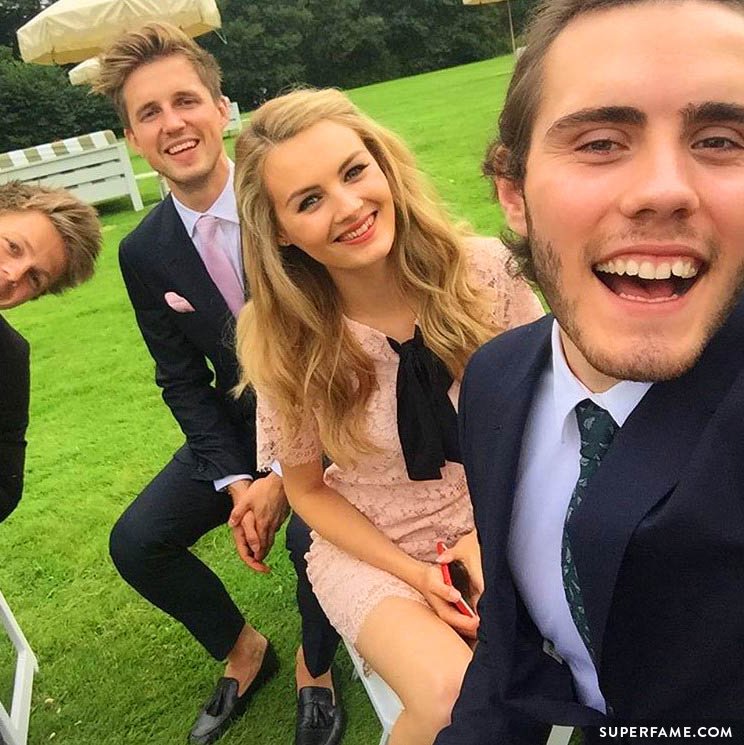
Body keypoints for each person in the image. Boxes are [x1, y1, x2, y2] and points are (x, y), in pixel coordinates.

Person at [435, 1, 744, 743]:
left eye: (721, 139)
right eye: (603, 141)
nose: (664, 189)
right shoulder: (494, 380)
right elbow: (506, 654)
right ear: (512, 191)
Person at [233, 87, 543, 745]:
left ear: (383, 164)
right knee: (451, 695)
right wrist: (417, 576)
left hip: (505, 511)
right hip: (372, 547)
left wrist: (489, 534)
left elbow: (550, 421)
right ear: (280, 231)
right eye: (309, 200)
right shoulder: (283, 337)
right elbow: (309, 491)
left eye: (353, 172)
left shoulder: (487, 270)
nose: (348, 208)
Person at [93, 25, 343, 745]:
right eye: (149, 113)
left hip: (332, 409)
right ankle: (244, 650)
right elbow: (182, 381)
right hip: (238, 426)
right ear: (133, 136)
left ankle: (315, 667)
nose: (173, 123)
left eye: (185, 100)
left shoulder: (290, 197)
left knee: (310, 541)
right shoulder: (144, 252)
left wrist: (281, 474)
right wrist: (239, 480)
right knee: (138, 541)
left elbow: (346, 340)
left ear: (222, 107)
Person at [0, 181, 100, 523]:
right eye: (12, 246)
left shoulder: (8, 359)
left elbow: (4, 486)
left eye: (35, 279)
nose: (13, 274)